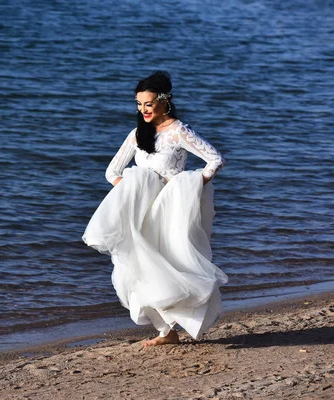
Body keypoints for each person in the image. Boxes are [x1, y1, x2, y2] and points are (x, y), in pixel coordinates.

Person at [82, 71, 228, 347]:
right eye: (139, 104)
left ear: (164, 101)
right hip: (140, 213)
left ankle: (178, 324)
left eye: (148, 104)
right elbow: (112, 171)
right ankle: (166, 332)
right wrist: (130, 192)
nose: (143, 110)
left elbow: (216, 160)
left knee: (170, 264)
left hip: (170, 210)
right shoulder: (139, 134)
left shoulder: (178, 131)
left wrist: (188, 185)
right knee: (138, 267)